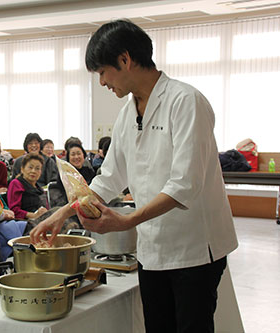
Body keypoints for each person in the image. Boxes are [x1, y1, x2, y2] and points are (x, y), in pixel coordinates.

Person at [31, 19, 238, 333]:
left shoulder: (185, 102)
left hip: (195, 247)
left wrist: (127, 221)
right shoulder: (128, 113)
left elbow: (185, 184)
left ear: (125, 60)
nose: (101, 82)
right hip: (153, 248)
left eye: (102, 72)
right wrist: (62, 215)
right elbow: (109, 178)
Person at [7, 153, 48, 220]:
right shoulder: (16, 184)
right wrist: (34, 215)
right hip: (24, 222)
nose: (33, 171)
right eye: (30, 167)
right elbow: (14, 210)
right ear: (22, 169)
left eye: (37, 168)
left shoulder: (39, 188)